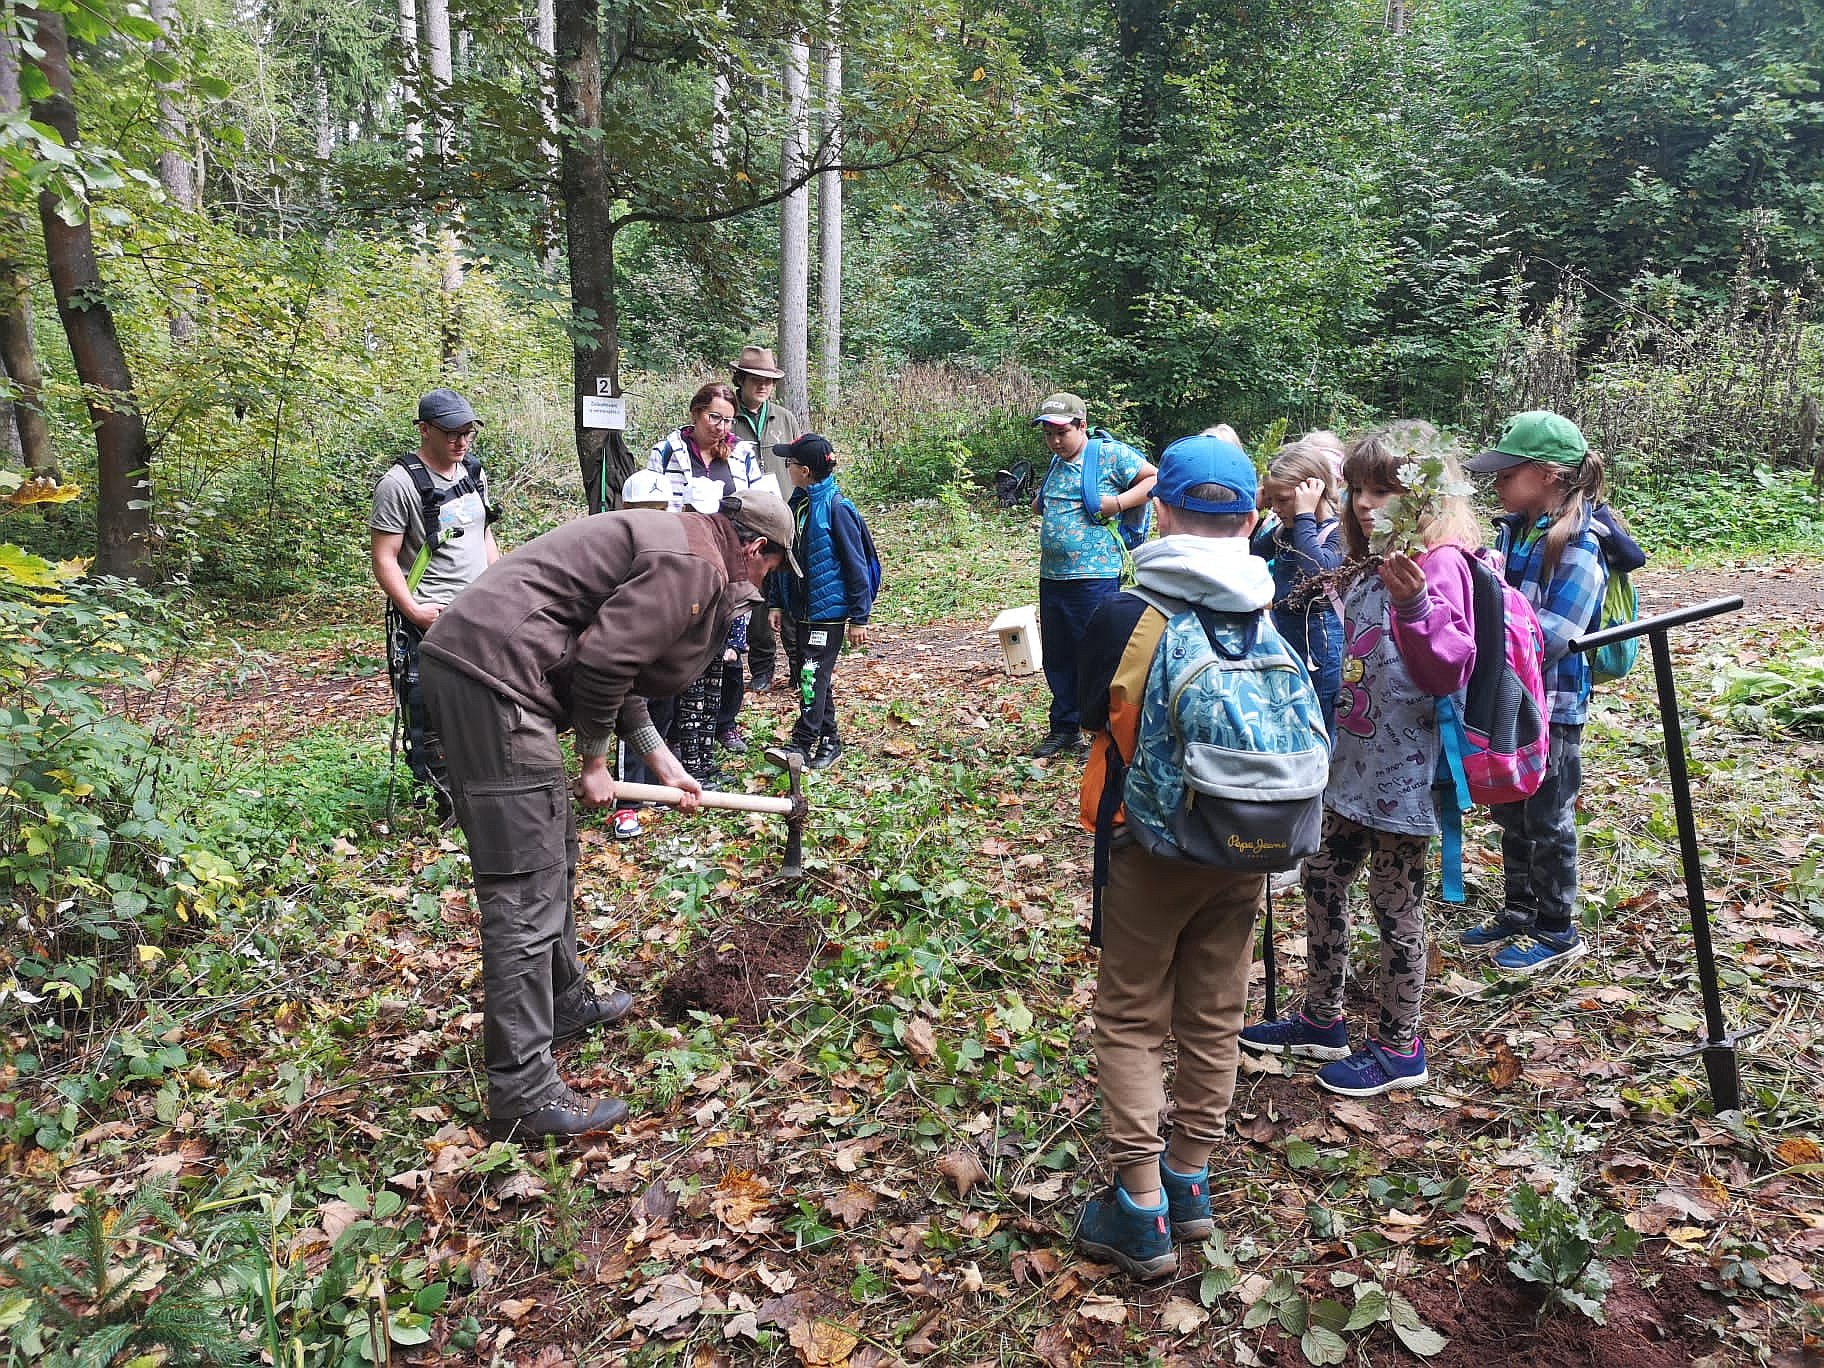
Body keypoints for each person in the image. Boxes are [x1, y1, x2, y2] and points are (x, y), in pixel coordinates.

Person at [418, 490, 798, 1141]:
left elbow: (616, 660)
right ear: (756, 547)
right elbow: (603, 662)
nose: (765, 583)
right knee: (526, 887)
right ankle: (522, 1095)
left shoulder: (686, 544)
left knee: (553, 855)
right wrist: (595, 761)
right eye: (771, 569)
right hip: (496, 678)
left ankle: (563, 1001)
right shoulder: (697, 566)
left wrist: (660, 761)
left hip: (496, 668)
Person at [1069, 433, 1323, 1281]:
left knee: (1132, 1016)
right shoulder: (1267, 609)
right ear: (1250, 520)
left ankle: (1139, 1208)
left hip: (1148, 845)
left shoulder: (1126, 615)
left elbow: (1086, 711)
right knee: (1215, 1014)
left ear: (1162, 513)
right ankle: (1190, 1180)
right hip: (1246, 842)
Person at [1239, 424, 1481, 1097]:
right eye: (1360, 491)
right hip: (1352, 764)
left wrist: (1415, 603)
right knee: (1322, 876)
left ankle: (1402, 1047)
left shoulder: (1439, 566)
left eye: (1386, 491)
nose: (1368, 505)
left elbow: (1449, 670)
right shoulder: (1367, 560)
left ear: (1426, 497)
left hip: (1405, 775)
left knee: (1394, 906)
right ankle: (1323, 1018)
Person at [1458, 411, 1613, 973]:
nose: (1497, 483)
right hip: (1511, 701)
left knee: (1548, 815)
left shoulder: (1581, 543)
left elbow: (1557, 633)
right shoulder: (1513, 531)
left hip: (1552, 703)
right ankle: (1519, 909)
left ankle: (1556, 927)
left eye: (1508, 474)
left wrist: (1485, 646)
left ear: (1547, 475)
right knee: (1512, 807)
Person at [370, 388, 501, 818]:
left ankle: (483, 792)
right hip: (431, 617)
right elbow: (384, 557)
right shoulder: (398, 485)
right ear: (424, 430)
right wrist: (413, 610)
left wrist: (501, 587)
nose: (461, 442)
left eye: (468, 433)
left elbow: (484, 534)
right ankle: (442, 805)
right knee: (432, 713)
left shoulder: (473, 472)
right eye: (451, 434)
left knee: (483, 706)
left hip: (478, 613)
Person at [1030, 392, 1157, 758]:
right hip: (1054, 576)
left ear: (1082, 426)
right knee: (1058, 655)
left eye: (1062, 433)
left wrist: (1117, 503)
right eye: (1049, 434)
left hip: (1094, 576)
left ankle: (1103, 731)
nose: (1055, 441)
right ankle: (1065, 728)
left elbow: (1154, 479)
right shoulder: (1057, 462)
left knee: (1097, 654)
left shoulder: (1108, 455)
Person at [649, 383, 769, 767]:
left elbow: (758, 503)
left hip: (729, 559)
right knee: (684, 648)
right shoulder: (669, 450)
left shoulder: (742, 454)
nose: (721, 427)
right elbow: (651, 502)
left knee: (728, 647)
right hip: (682, 560)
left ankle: (722, 723)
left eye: (728, 420)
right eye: (714, 417)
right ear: (696, 413)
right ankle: (675, 733)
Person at [768, 434, 876, 771]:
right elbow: (784, 559)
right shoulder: (796, 504)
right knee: (813, 676)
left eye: (789, 463)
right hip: (802, 610)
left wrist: (859, 617)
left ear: (804, 471)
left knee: (811, 675)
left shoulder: (837, 507)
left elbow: (857, 565)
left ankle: (800, 744)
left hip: (828, 614)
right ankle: (830, 741)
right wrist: (776, 603)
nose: (786, 468)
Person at [1250, 439, 1347, 739]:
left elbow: (1317, 571)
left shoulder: (1337, 532)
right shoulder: (1286, 529)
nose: (1276, 509)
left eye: (1282, 500)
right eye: (1272, 500)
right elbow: (1249, 554)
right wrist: (1254, 509)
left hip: (1321, 650)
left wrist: (1305, 514)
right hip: (1287, 639)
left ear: (1312, 492)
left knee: (1319, 719)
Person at [730, 345, 804, 696]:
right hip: (745, 521)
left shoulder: (784, 418)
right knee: (755, 593)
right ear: (741, 380)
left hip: (783, 518)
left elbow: (799, 464)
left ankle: (798, 663)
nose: (763, 386)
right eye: (756, 379)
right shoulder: (727, 416)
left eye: (769, 381)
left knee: (789, 589)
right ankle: (761, 667)